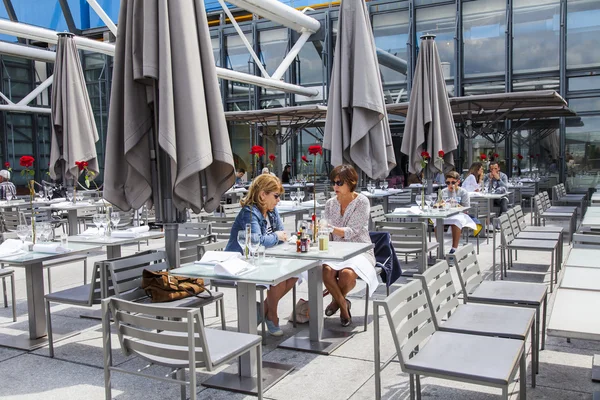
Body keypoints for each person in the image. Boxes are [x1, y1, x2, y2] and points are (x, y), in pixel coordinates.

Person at [224, 174, 293, 336]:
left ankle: (262, 310)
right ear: (263, 195)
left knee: (294, 274)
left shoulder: (272, 210)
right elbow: (258, 241)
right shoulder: (249, 213)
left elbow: (282, 234)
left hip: (263, 258)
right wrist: (276, 237)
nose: (278, 200)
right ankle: (272, 315)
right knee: (279, 278)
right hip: (241, 262)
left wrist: (277, 237)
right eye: (276, 196)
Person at [322, 164, 377, 327]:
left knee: (346, 274)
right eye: (334, 182)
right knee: (326, 271)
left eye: (339, 183)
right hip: (336, 251)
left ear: (351, 182)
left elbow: (352, 231)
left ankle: (336, 303)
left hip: (360, 249)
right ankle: (343, 304)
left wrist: (329, 227)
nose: (335, 186)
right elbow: (327, 232)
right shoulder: (330, 204)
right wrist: (319, 232)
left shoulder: (362, 202)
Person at [435, 171, 476, 254]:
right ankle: (440, 247)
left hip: (460, 215)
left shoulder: (463, 192)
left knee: (456, 221)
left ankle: (454, 248)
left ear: (458, 182)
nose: (450, 185)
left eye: (453, 182)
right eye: (448, 182)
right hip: (446, 214)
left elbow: (466, 208)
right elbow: (437, 204)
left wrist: (455, 203)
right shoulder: (443, 192)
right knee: (436, 221)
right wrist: (439, 204)